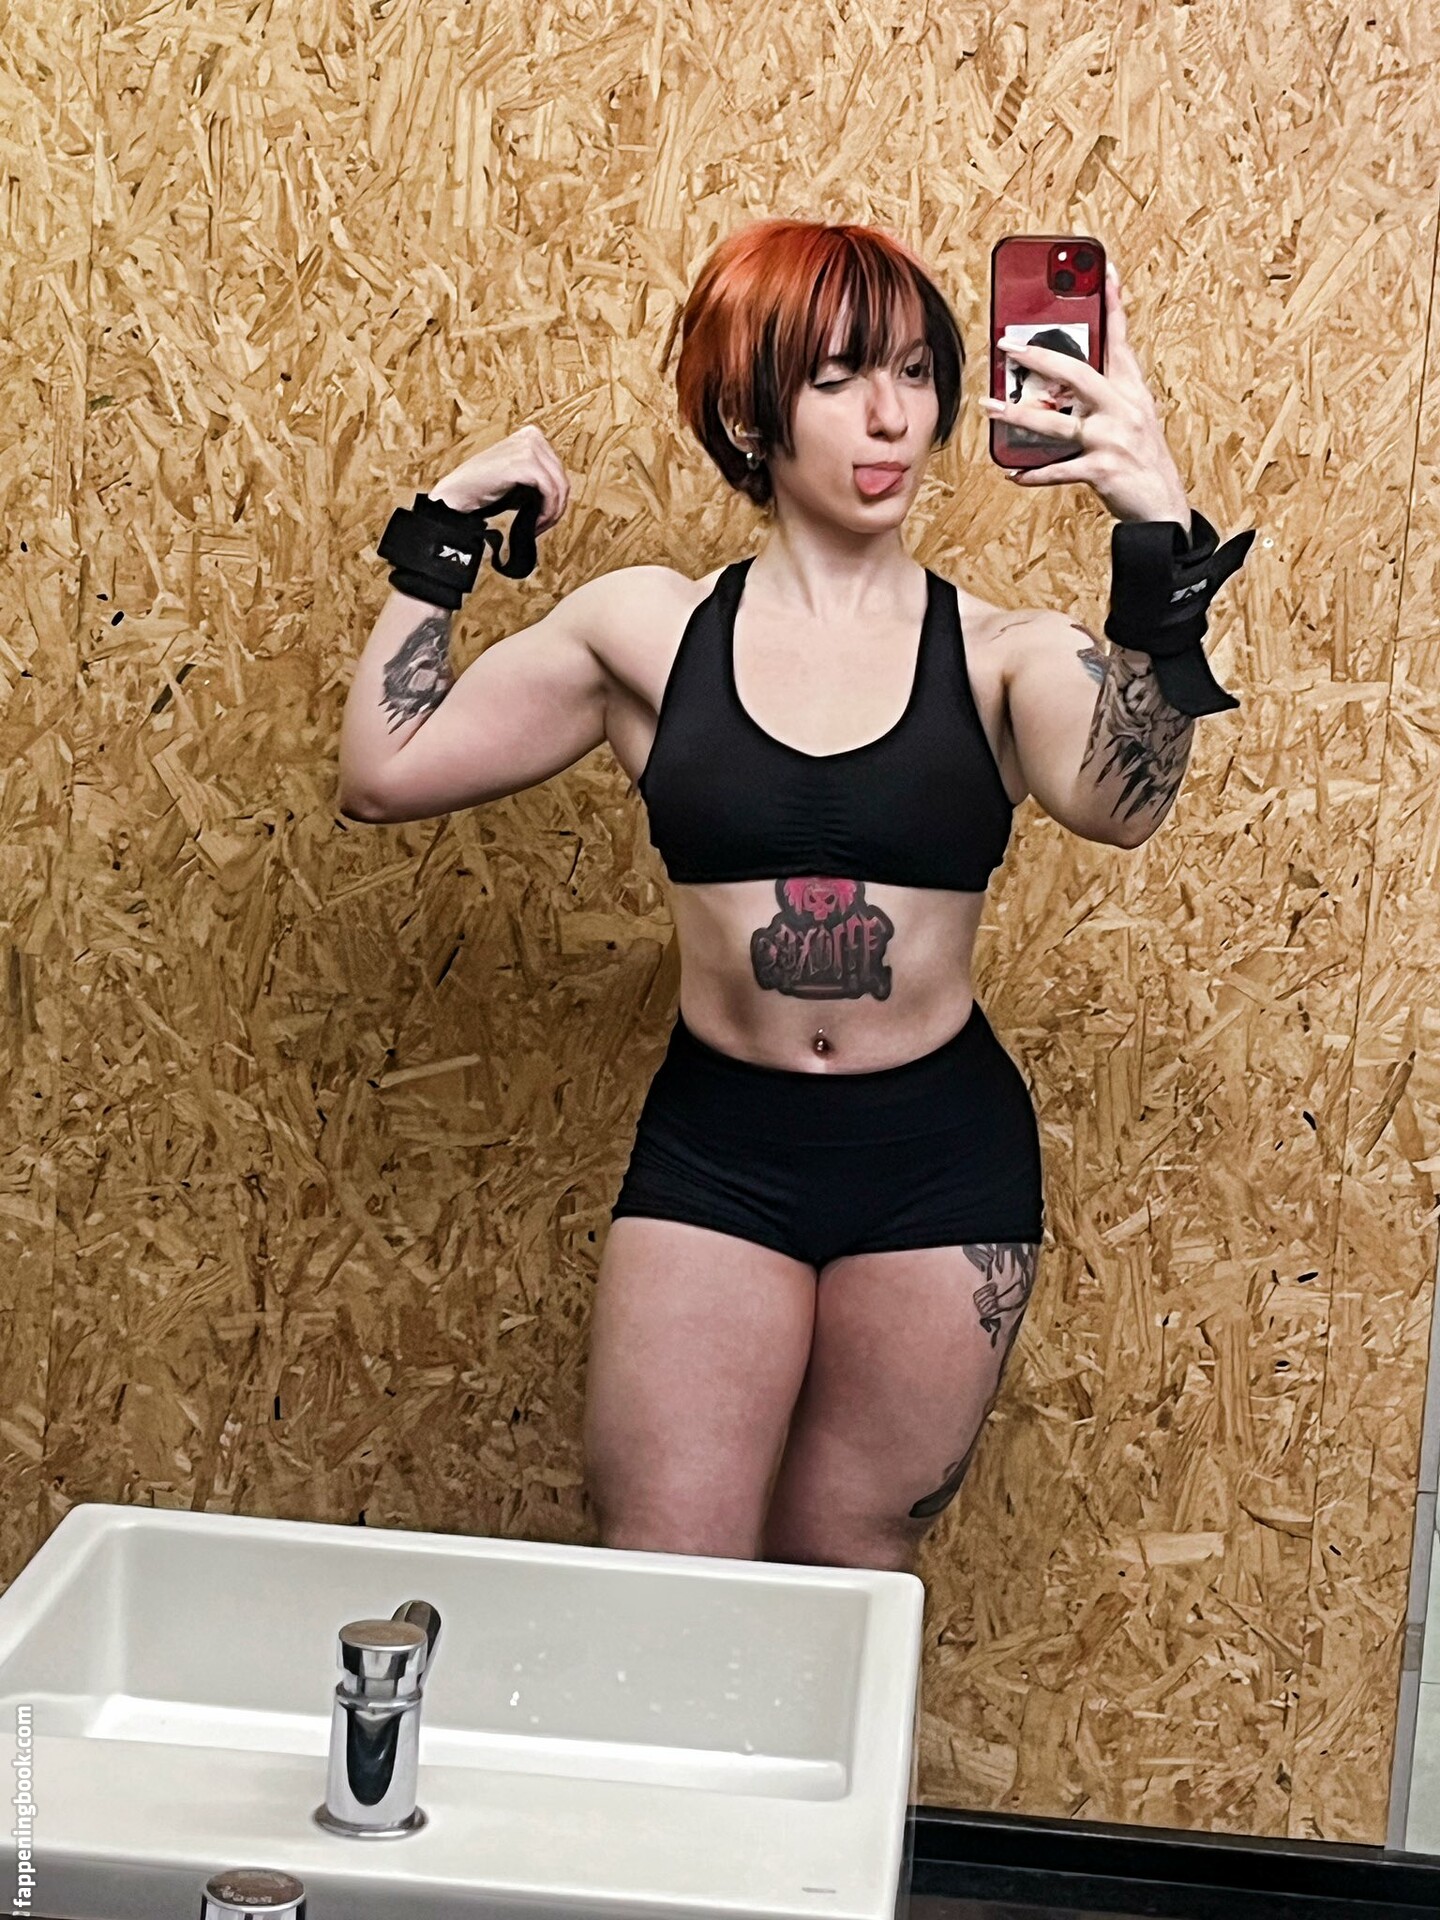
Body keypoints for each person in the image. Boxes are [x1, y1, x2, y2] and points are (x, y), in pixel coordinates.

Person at [338, 218, 1254, 1576]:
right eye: (837, 378)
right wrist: (443, 536)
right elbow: (383, 772)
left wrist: (1154, 546)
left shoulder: (1005, 653)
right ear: (747, 415)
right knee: (670, 1553)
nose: (891, 417)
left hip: (939, 1162)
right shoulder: (647, 632)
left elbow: (1123, 805)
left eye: (915, 373)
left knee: (846, 1560)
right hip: (723, 1152)